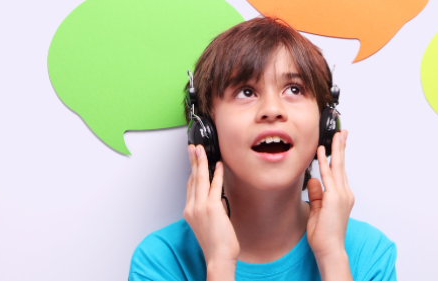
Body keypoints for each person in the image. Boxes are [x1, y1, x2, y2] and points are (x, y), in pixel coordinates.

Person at [129, 17, 397, 280]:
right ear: (206, 130)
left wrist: (332, 257)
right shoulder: (162, 261)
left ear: (326, 124)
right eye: (246, 92)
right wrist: (219, 262)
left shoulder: (368, 253)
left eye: (294, 89)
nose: (272, 110)